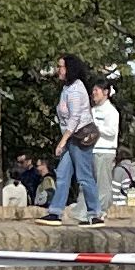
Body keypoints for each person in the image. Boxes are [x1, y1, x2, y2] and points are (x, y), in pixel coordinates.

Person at [48, 53, 100, 218]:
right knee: (62, 174)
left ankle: (94, 213)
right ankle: (55, 212)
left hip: (79, 138)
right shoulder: (66, 88)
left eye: (61, 67)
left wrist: (62, 142)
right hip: (71, 138)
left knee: (84, 177)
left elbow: (75, 118)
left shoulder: (77, 89)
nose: (59, 70)